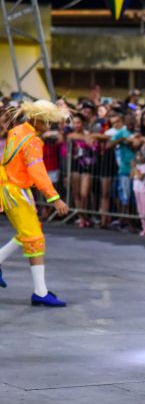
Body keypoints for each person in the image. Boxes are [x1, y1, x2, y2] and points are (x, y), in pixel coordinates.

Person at [0, 100, 71, 306]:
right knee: (35, 238)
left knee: (29, 235)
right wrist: (55, 198)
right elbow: (37, 172)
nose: (48, 126)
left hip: (9, 189)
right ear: (35, 118)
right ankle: (40, 293)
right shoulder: (32, 141)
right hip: (17, 191)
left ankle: (40, 291)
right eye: (46, 121)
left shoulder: (17, 130)